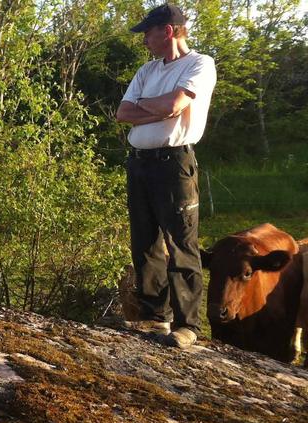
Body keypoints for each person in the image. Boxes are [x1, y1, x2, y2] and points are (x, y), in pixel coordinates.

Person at [115, 4, 217, 348]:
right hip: (139, 162)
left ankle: (187, 325)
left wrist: (150, 107)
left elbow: (175, 105)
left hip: (174, 164)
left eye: (148, 32)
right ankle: (153, 317)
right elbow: (122, 113)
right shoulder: (146, 71)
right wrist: (155, 109)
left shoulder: (200, 64)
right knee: (144, 242)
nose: (145, 39)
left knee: (181, 243)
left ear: (168, 31)